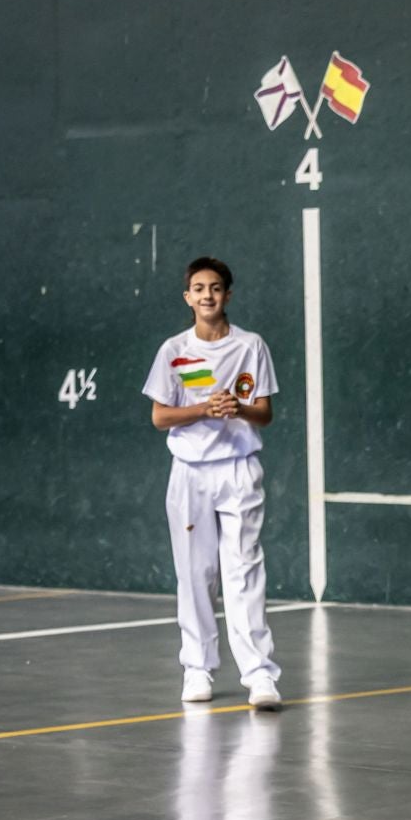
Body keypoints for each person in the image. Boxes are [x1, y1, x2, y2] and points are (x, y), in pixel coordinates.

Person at [142, 256, 283, 711]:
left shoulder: (251, 346)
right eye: (199, 288)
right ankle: (197, 668)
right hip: (190, 475)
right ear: (188, 297)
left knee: (244, 572)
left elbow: (265, 412)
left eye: (216, 287)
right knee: (196, 575)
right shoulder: (173, 351)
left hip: (239, 471)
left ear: (228, 295)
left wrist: (236, 409)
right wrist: (204, 409)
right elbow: (160, 416)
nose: (208, 295)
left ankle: (259, 676)